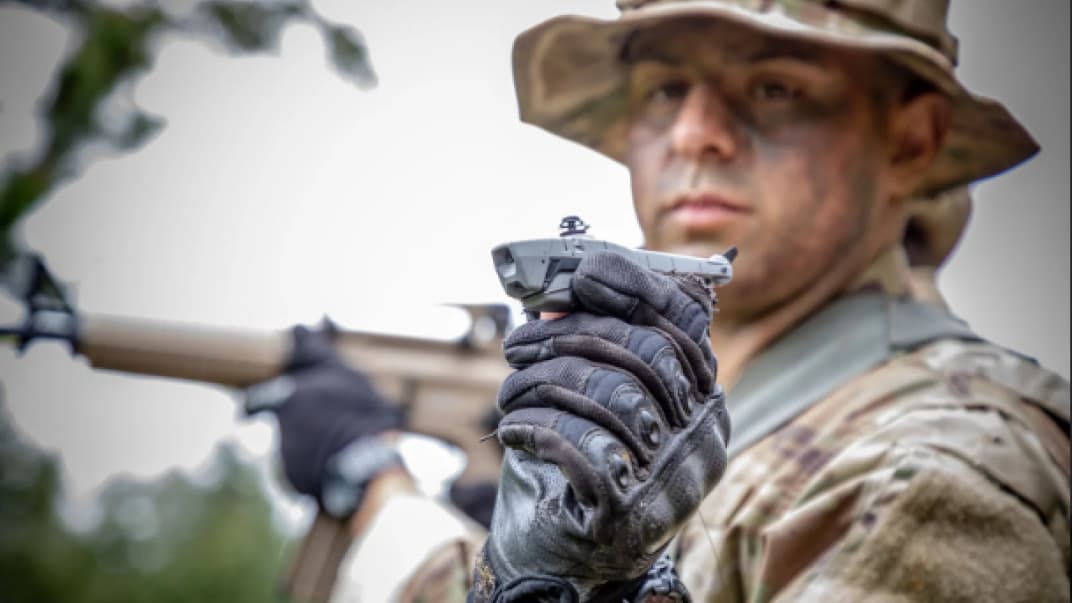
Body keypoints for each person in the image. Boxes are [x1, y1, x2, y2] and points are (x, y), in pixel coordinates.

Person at [254, 1, 1070, 601]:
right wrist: (492, 522)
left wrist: (383, 493)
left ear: (911, 141)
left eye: (776, 87)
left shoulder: (925, 475)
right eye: (664, 89)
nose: (693, 133)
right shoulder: (745, 410)